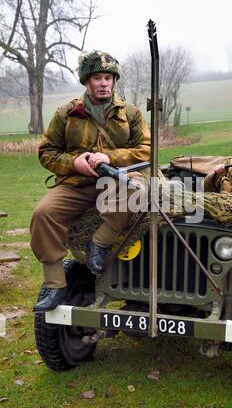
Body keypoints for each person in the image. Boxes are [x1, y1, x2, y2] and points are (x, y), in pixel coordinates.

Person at [30, 51, 150, 312]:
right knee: (43, 214)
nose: (104, 83)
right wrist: (74, 163)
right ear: (87, 81)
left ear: (114, 81)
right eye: (97, 77)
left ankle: (99, 242)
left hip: (120, 179)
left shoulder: (130, 113)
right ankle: (55, 285)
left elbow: (146, 150)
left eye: (109, 77)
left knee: (136, 191)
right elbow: (46, 152)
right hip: (78, 182)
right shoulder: (67, 113)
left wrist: (109, 157)